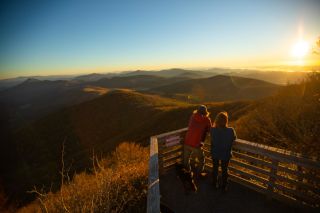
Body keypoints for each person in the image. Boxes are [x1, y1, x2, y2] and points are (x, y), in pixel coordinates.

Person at [211, 111, 237, 191]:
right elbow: (234, 138)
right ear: (226, 121)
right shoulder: (231, 130)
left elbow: (212, 140)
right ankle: (224, 186)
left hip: (215, 152)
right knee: (224, 170)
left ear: (217, 120)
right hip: (226, 154)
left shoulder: (212, 130)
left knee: (215, 168)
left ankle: (214, 183)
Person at [184, 105, 212, 176]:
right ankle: (199, 174)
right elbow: (210, 130)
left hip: (187, 141)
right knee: (201, 159)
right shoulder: (206, 120)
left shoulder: (192, 116)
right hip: (197, 144)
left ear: (197, 111)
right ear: (205, 112)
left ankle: (188, 172)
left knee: (186, 159)